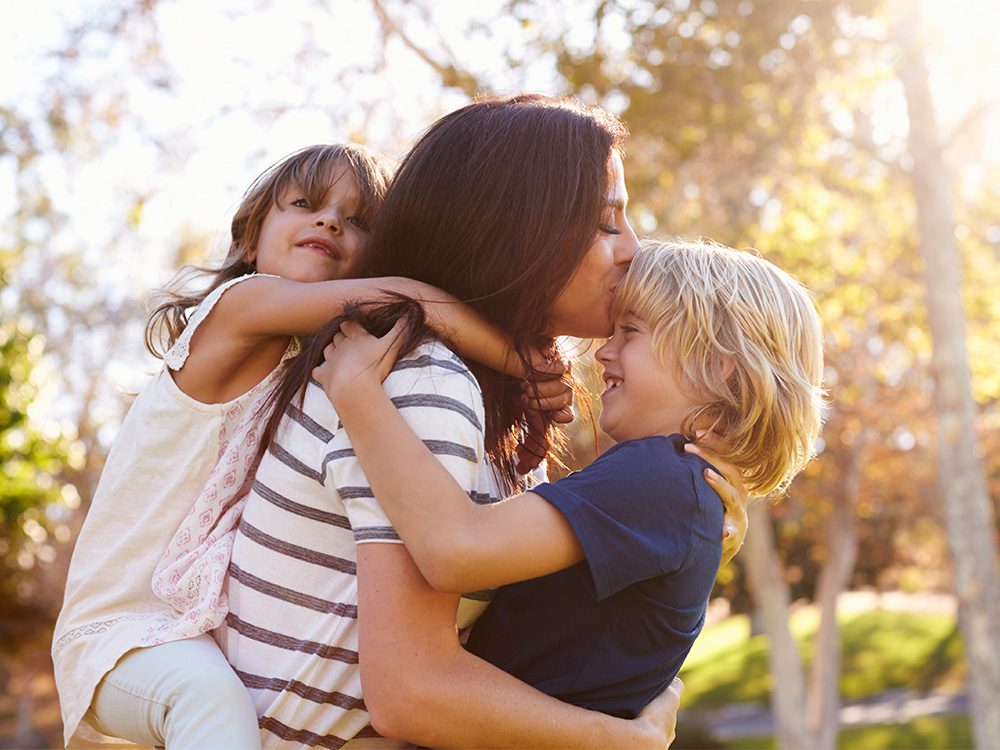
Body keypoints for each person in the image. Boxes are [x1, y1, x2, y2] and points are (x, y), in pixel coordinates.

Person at [217, 95, 748, 749]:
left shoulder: (476, 397)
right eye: (607, 222)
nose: (632, 249)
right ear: (519, 229)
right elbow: (413, 694)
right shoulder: (424, 383)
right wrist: (620, 740)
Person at [51, 143, 535, 749]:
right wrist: (524, 366)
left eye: (356, 220)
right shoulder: (238, 306)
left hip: (195, 627)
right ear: (253, 239)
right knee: (210, 703)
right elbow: (405, 299)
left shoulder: (310, 370)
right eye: (305, 204)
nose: (329, 221)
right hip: (121, 631)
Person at [316, 237, 826, 719]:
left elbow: (456, 548)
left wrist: (357, 391)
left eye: (632, 331)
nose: (604, 351)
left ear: (720, 369)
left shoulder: (659, 476)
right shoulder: (681, 488)